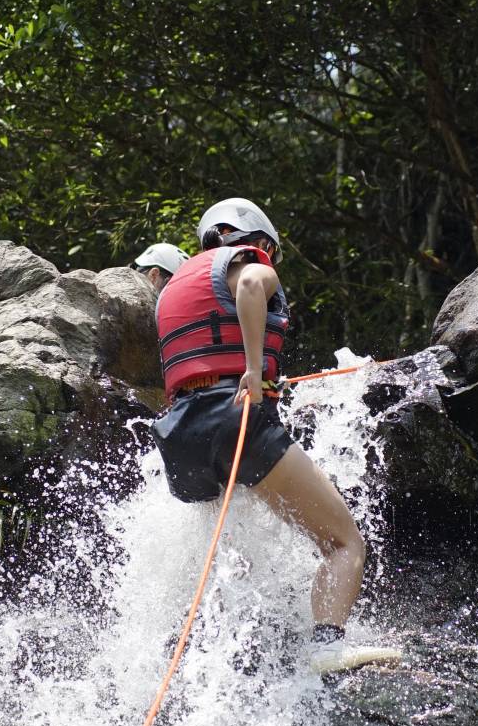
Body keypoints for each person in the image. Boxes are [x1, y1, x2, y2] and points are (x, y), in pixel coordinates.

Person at [151, 196, 371, 667]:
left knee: (232, 541)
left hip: (181, 439)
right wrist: (254, 368)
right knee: (343, 543)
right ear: (259, 239)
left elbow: (196, 359)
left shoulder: (172, 288)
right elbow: (252, 285)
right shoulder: (250, 261)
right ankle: (327, 648)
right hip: (235, 421)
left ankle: (192, 648)